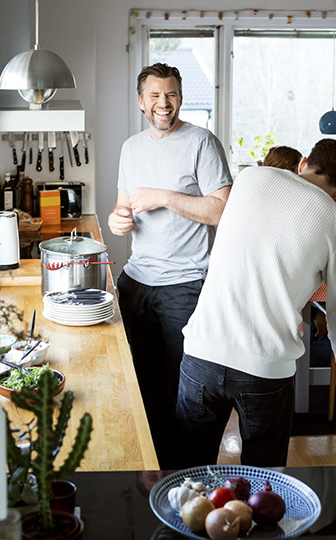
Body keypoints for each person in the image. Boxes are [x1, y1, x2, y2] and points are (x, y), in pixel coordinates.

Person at [177, 139, 336, 467]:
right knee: (263, 482)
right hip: (264, 367)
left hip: (201, 351)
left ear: (305, 160)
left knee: (187, 471)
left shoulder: (250, 178)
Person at [107, 62, 233, 469]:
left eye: (172, 94)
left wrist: (165, 196)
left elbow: (222, 210)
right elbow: (122, 207)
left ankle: (184, 473)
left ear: (181, 97)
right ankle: (148, 462)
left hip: (185, 284)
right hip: (136, 279)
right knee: (138, 378)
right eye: (156, 96)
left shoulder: (201, 143)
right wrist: (116, 220)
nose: (165, 103)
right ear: (141, 101)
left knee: (184, 387)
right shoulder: (131, 148)